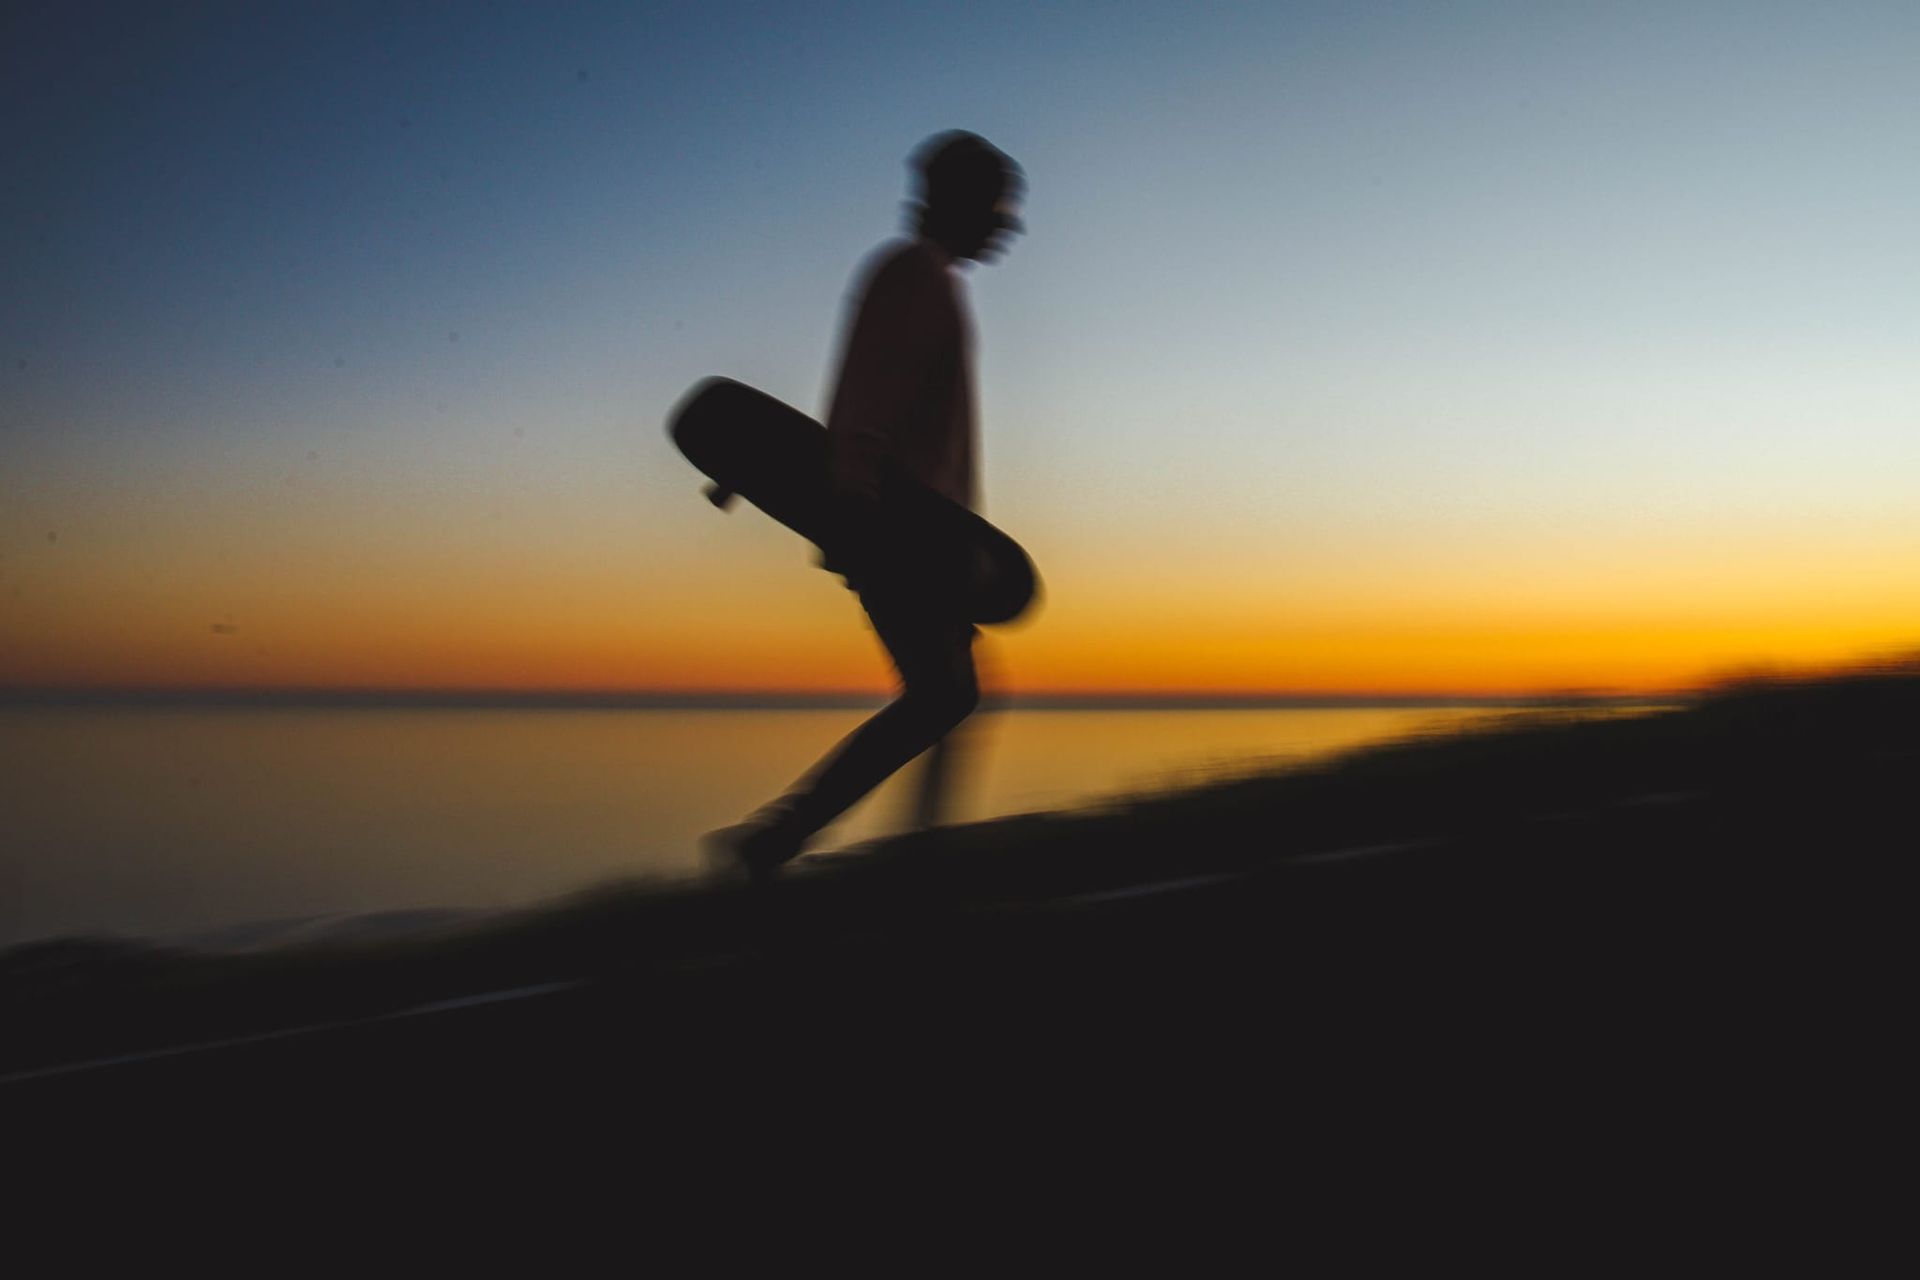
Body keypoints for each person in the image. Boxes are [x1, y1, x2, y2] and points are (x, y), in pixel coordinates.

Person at [708, 131, 1025, 881]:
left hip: (919, 534)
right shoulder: (913, 274)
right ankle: (789, 846)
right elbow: (867, 400)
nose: (1008, 224)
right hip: (895, 529)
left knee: (950, 693)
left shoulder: (929, 277)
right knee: (947, 694)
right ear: (963, 201)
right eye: (1000, 206)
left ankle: (795, 844)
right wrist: (853, 506)